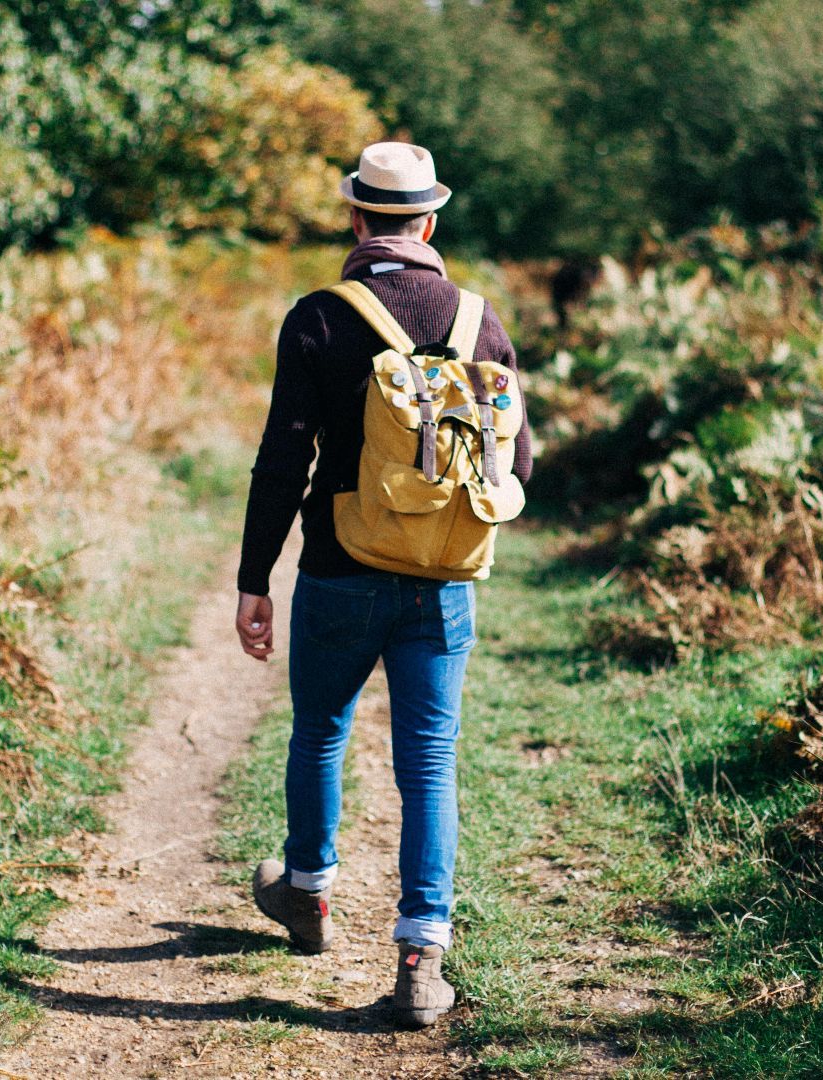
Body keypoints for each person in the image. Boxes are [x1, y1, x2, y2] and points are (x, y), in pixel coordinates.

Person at [233, 141, 533, 1028]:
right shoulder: (481, 320)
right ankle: (420, 956)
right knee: (428, 762)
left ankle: (307, 895)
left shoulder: (320, 316)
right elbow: (518, 457)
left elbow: (282, 459)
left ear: (357, 219)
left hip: (337, 569)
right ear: (430, 222)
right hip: (442, 582)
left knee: (320, 732)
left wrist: (256, 578)